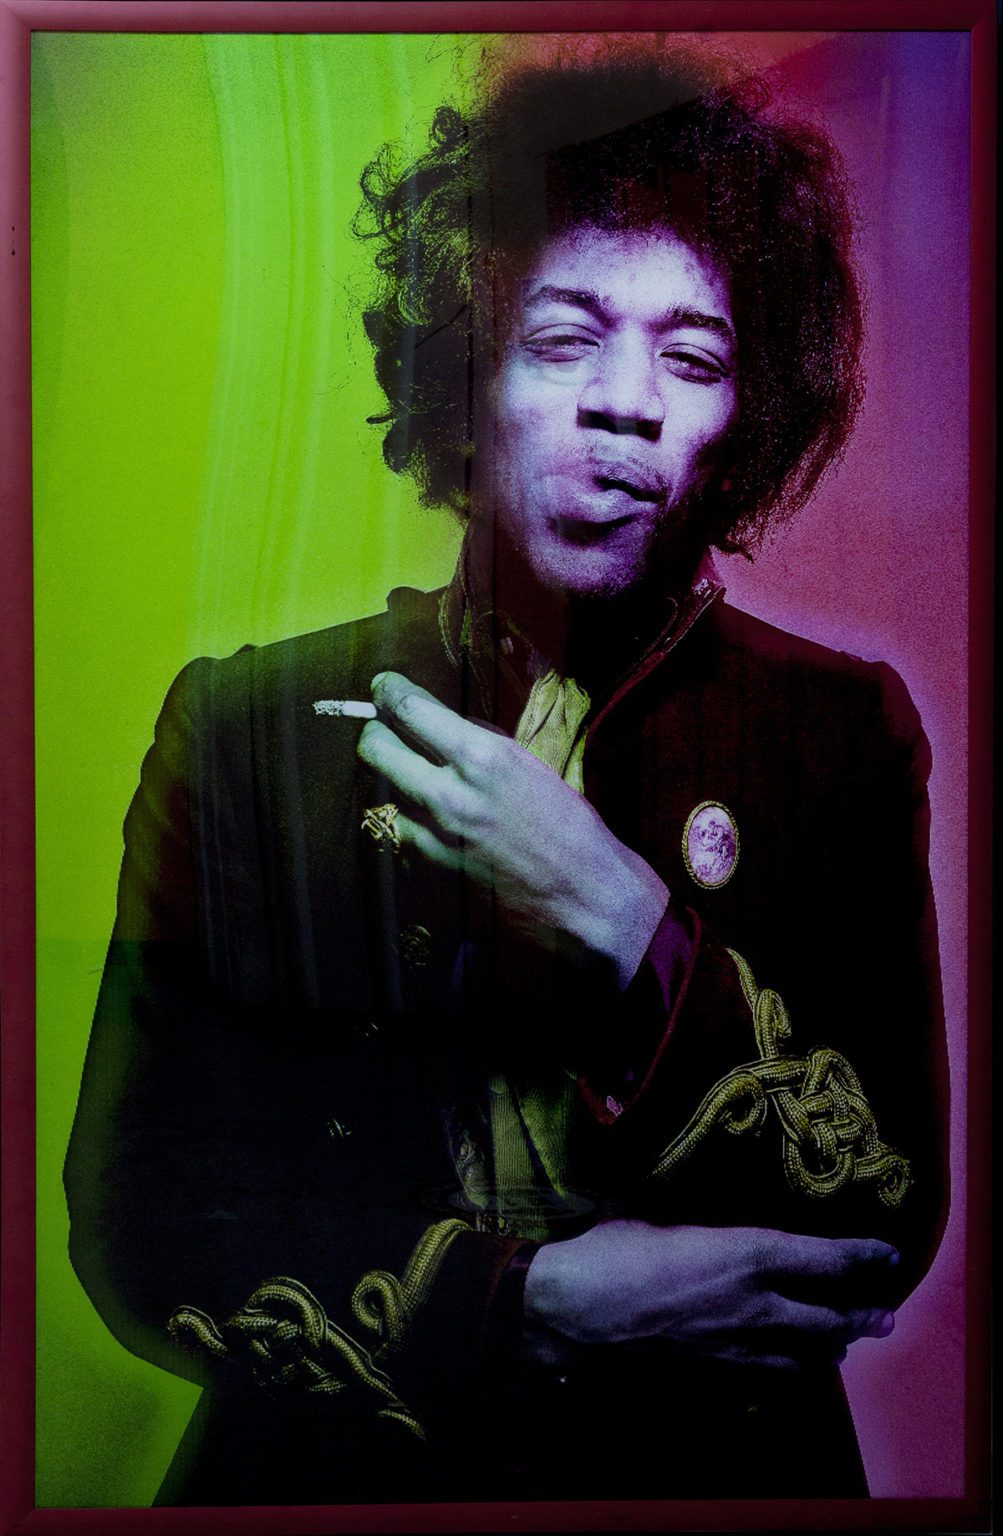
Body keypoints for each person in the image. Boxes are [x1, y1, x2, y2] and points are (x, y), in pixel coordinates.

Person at [64, 41, 949, 1505]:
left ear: (744, 418)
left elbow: (884, 1217)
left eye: (693, 358)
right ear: (468, 371)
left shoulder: (840, 730)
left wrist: (621, 917)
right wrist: (513, 1310)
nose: (627, 404)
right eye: (564, 338)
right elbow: (137, 1221)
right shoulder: (246, 725)